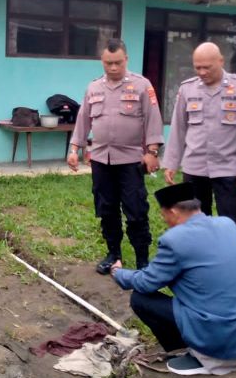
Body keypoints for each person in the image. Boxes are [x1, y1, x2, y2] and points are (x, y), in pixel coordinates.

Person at [111, 182, 236, 376]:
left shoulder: (175, 240)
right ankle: (207, 347)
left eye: (164, 215)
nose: (165, 221)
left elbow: (146, 282)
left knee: (141, 299)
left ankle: (195, 353)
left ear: (173, 212)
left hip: (220, 336)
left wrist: (119, 273)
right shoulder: (227, 224)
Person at [68, 39, 164, 274]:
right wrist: (74, 149)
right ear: (102, 61)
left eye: (118, 63)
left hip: (131, 160)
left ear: (126, 60)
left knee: (136, 210)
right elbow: (83, 120)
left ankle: (142, 259)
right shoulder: (94, 87)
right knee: (106, 208)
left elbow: (153, 119)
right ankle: (113, 254)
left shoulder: (142, 85)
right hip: (101, 159)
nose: (113, 67)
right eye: (108, 63)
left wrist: (152, 152)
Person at [163, 42, 236, 268]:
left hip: (227, 167)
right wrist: (171, 162)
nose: (202, 72)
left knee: (232, 219)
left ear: (221, 62)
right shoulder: (187, 89)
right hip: (194, 166)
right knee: (196, 219)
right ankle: (203, 261)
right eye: (197, 67)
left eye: (207, 67)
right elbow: (178, 127)